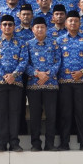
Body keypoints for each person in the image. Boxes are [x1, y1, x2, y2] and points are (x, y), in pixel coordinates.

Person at [0, 14, 28, 152]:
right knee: (1, 112)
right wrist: (5, 76)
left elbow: (23, 61)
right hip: (0, 83)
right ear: (0, 27)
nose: (7, 27)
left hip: (16, 83)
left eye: (10, 24)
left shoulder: (21, 43)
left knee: (15, 112)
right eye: (4, 24)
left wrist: (14, 75)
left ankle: (14, 142)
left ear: (14, 27)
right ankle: (2, 143)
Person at [57, 10, 83, 151]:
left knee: (82, 113)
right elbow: (55, 59)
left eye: (76, 21)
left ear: (80, 23)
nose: (73, 23)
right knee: (65, 113)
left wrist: (82, 72)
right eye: (70, 20)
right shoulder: (59, 41)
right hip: (64, 82)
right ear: (66, 23)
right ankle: (64, 143)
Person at [25, 16, 59, 152]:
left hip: (51, 84)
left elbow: (58, 62)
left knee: (51, 115)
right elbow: (24, 63)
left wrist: (47, 74)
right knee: (35, 115)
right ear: (33, 29)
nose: (40, 29)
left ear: (46, 29)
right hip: (34, 84)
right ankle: (36, 143)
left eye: (42, 27)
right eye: (37, 27)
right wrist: (37, 74)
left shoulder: (54, 44)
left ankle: (50, 143)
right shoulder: (27, 45)